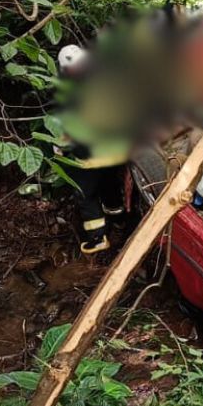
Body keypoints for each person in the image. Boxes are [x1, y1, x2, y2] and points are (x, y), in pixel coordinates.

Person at [56, 44, 129, 256]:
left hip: (88, 156)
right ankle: (119, 221)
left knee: (85, 194)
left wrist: (59, 148)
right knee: (110, 187)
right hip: (113, 152)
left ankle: (97, 239)